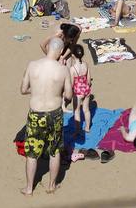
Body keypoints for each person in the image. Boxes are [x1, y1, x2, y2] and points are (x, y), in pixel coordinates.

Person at [20, 37, 72, 195]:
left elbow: (23, 89)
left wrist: (36, 90)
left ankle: (29, 188)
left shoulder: (32, 65)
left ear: (48, 47)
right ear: (61, 51)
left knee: (32, 152)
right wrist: (58, 91)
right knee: (54, 151)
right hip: (54, 113)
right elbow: (69, 96)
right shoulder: (63, 70)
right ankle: (51, 185)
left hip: (36, 113)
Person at [67, 43, 93, 134]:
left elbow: (72, 84)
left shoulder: (73, 69)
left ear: (73, 55)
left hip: (78, 92)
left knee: (77, 111)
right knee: (86, 110)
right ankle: (87, 127)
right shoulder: (86, 64)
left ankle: (77, 130)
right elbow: (89, 80)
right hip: (86, 90)